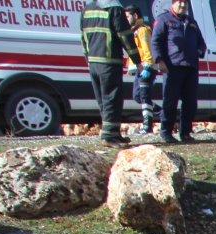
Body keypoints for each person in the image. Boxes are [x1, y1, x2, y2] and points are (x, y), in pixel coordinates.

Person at [79, 0, 141, 146]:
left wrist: (88, 58)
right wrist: (137, 60)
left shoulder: (86, 9)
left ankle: (113, 132)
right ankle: (109, 137)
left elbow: (83, 37)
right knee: (112, 98)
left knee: (103, 99)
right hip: (109, 61)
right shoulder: (114, 8)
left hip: (93, 62)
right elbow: (125, 35)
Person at [151, 0, 205, 144]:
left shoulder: (191, 22)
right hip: (172, 67)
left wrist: (198, 51)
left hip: (191, 67)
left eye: (185, 3)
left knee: (190, 102)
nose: (183, 5)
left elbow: (201, 43)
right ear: (173, 3)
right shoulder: (164, 20)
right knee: (170, 101)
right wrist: (159, 60)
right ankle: (166, 132)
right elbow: (155, 41)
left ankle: (185, 133)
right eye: (180, 2)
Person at [123, 5, 160, 135]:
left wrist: (148, 66)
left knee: (144, 96)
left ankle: (147, 126)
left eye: (127, 16)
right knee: (137, 96)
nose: (125, 19)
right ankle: (162, 113)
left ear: (135, 16)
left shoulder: (143, 30)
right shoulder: (134, 31)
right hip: (140, 68)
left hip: (147, 67)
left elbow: (147, 49)